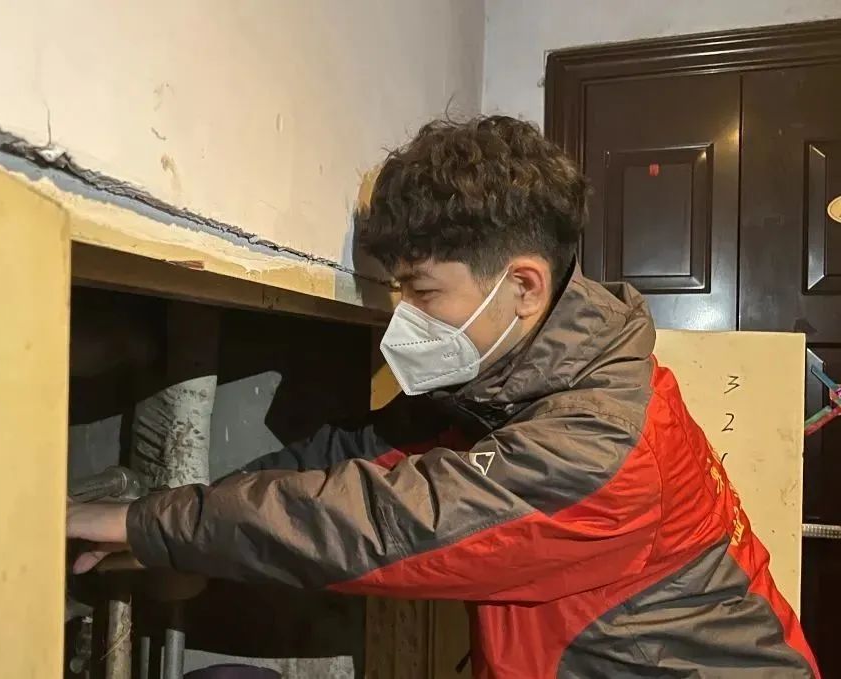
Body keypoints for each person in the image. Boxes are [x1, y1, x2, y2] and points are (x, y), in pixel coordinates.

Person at [68, 116, 819, 677]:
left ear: (523, 285)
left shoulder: (600, 449)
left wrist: (149, 524)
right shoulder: (526, 376)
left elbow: (376, 525)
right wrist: (182, 515)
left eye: (423, 293)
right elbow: (362, 452)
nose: (404, 320)